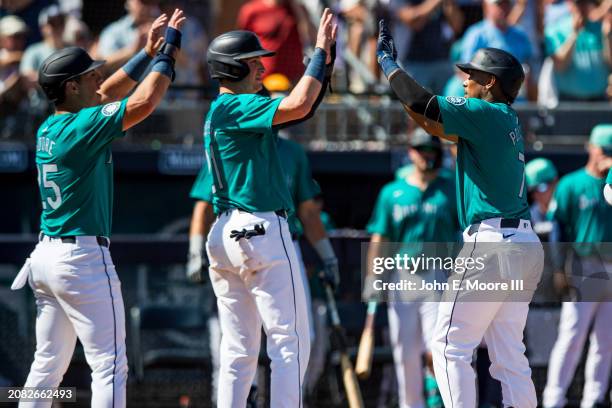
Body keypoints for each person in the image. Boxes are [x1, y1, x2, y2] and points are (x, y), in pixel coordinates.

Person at [11, 9, 185, 408]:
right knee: (109, 365)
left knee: (46, 365)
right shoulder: (80, 126)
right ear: (71, 88)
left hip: (46, 257)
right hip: (81, 259)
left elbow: (107, 95)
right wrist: (168, 53)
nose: (98, 78)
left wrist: (145, 53)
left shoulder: (51, 126)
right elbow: (143, 102)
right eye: (90, 75)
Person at [376, 19, 544, 407]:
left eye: (472, 74)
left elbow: (423, 103)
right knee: (509, 357)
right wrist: (404, 93)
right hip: (521, 245)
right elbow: (432, 123)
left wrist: (388, 64)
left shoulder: (486, 114)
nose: (464, 79)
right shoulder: (503, 121)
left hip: (491, 245)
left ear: (491, 82)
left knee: (448, 344)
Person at [203, 9, 336, 407]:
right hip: (260, 228)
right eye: (252, 61)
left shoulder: (222, 110)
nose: (261, 66)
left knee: (239, 349)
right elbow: (296, 105)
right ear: (231, 66)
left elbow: (303, 105)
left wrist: (324, 66)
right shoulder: (233, 107)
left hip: (225, 234)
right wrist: (316, 54)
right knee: (290, 342)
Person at [186, 131, 339, 403]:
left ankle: (283, 396)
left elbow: (308, 211)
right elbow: (202, 205)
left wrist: (327, 256)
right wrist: (194, 250)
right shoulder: (226, 142)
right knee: (279, 341)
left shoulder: (290, 151)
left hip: (247, 238)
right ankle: (256, 397)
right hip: (262, 235)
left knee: (253, 343)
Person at [365, 129, 459, 408]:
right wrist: (373, 277)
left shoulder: (450, 188)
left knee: (438, 348)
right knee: (405, 352)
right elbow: (380, 237)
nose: (425, 154)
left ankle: (440, 400)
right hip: (402, 277)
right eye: (420, 149)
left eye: (430, 149)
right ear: (410, 152)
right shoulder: (393, 192)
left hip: (438, 275)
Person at [542, 124, 612, 408]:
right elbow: (558, 228)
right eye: (603, 150)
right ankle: (553, 399)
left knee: (606, 341)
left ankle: (593, 399)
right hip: (584, 265)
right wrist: (559, 268)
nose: (606, 156)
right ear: (590, 147)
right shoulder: (571, 184)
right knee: (571, 336)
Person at [543, 0, 612, 101]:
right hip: (569, 101)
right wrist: (574, 34)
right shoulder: (555, 29)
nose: (582, 7)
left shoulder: (602, 28)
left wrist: (607, 37)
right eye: (578, 3)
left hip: (599, 100)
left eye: (585, 3)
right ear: (569, 4)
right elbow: (560, 65)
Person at [390, 0, 464, 93]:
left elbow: (457, 26)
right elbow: (414, 22)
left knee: (446, 105)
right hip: (413, 63)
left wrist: (450, 4)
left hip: (442, 60)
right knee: (416, 105)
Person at [19, 5, 66, 82]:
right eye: (52, 23)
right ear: (42, 28)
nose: (57, 27)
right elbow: (26, 77)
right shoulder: (33, 51)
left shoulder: (74, 49)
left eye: (60, 22)